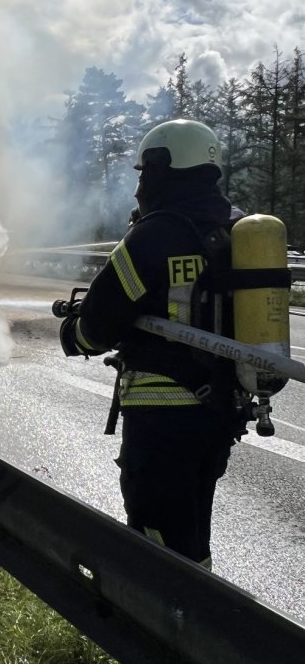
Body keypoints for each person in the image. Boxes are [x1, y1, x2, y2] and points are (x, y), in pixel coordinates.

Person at [59, 118, 248, 569]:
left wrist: (73, 334)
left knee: (156, 535)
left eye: (145, 172)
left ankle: (163, 629)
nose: (141, 183)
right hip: (220, 412)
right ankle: (199, 616)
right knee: (192, 528)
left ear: (164, 167)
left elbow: (98, 325)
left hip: (163, 419)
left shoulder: (154, 235)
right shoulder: (238, 230)